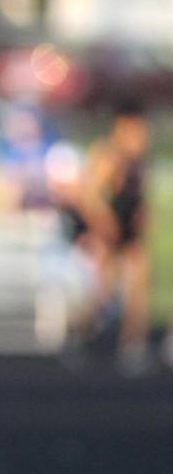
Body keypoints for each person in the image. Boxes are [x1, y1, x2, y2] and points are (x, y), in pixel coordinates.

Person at [78, 98, 154, 373]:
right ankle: (85, 335)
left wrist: (142, 214)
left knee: (139, 282)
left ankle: (133, 342)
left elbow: (139, 195)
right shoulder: (108, 155)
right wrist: (103, 224)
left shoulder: (138, 158)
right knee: (103, 290)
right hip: (106, 231)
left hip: (128, 231)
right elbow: (89, 196)